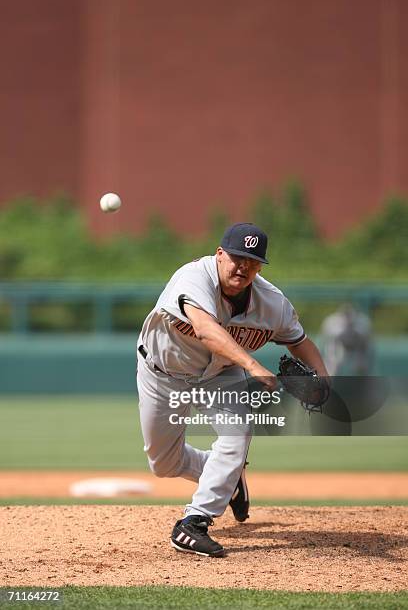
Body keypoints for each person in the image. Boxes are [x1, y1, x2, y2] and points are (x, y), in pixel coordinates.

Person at [136, 223, 328, 557]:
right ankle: (228, 478)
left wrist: (324, 380)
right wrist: (253, 367)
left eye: (252, 261)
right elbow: (207, 331)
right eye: (237, 257)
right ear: (220, 255)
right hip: (163, 372)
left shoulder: (273, 304)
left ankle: (193, 523)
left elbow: (300, 342)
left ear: (260, 266)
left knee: (237, 434)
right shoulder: (193, 278)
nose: (243, 266)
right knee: (163, 463)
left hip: (219, 376)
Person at [320, 304, 373, 375]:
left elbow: (366, 343)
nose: (348, 318)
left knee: (361, 366)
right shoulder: (332, 322)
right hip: (337, 348)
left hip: (357, 349)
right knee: (331, 365)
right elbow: (328, 341)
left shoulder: (362, 322)